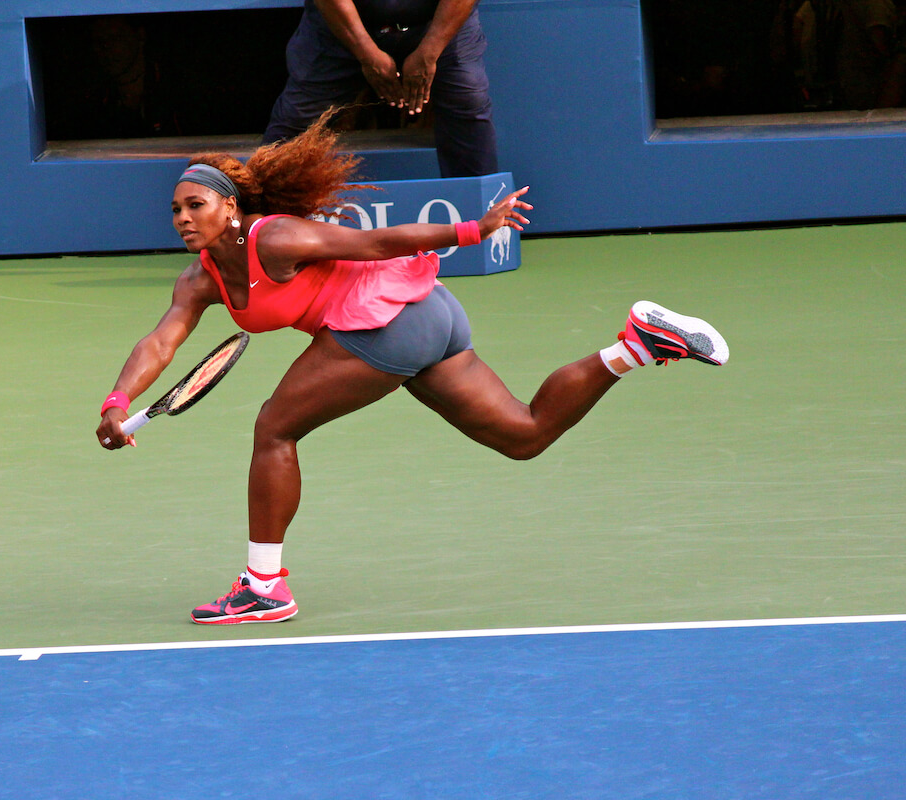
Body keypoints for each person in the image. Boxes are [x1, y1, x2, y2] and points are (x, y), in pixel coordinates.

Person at [96, 113, 730, 625]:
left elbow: (374, 242)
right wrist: (117, 404)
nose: (182, 218)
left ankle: (264, 587)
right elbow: (160, 343)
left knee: (274, 428)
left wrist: (473, 230)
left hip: (387, 322)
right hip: (426, 317)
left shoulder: (274, 238)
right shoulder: (199, 280)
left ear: (229, 208)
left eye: (195, 205)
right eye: (176, 209)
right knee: (524, 435)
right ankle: (637, 346)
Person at [262, 0, 499, 177]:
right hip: (342, 23)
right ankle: (259, 224)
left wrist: (430, 51)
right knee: (297, 120)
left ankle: (481, 223)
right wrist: (366, 53)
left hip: (439, 21)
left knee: (468, 104)